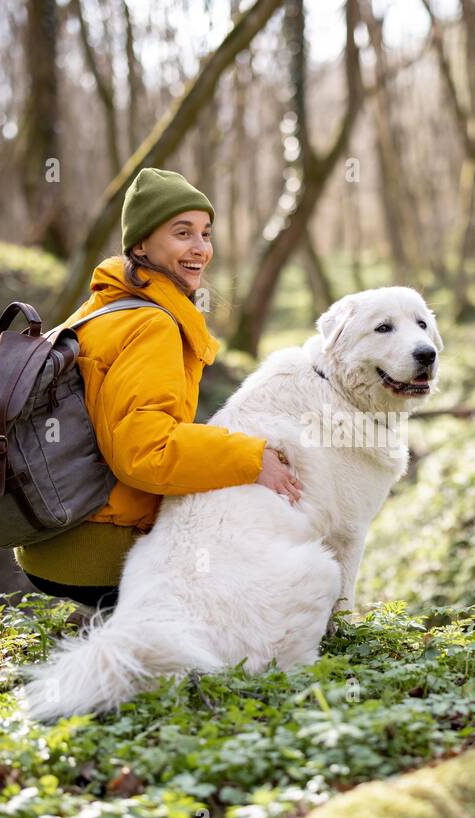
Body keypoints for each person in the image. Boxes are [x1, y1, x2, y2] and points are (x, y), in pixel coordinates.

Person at [15, 168, 302, 609]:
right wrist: (252, 458)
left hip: (47, 538)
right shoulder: (152, 324)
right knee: (260, 578)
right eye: (181, 232)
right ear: (141, 245)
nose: (200, 248)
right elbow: (145, 451)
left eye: (205, 234)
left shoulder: (103, 308)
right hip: (95, 548)